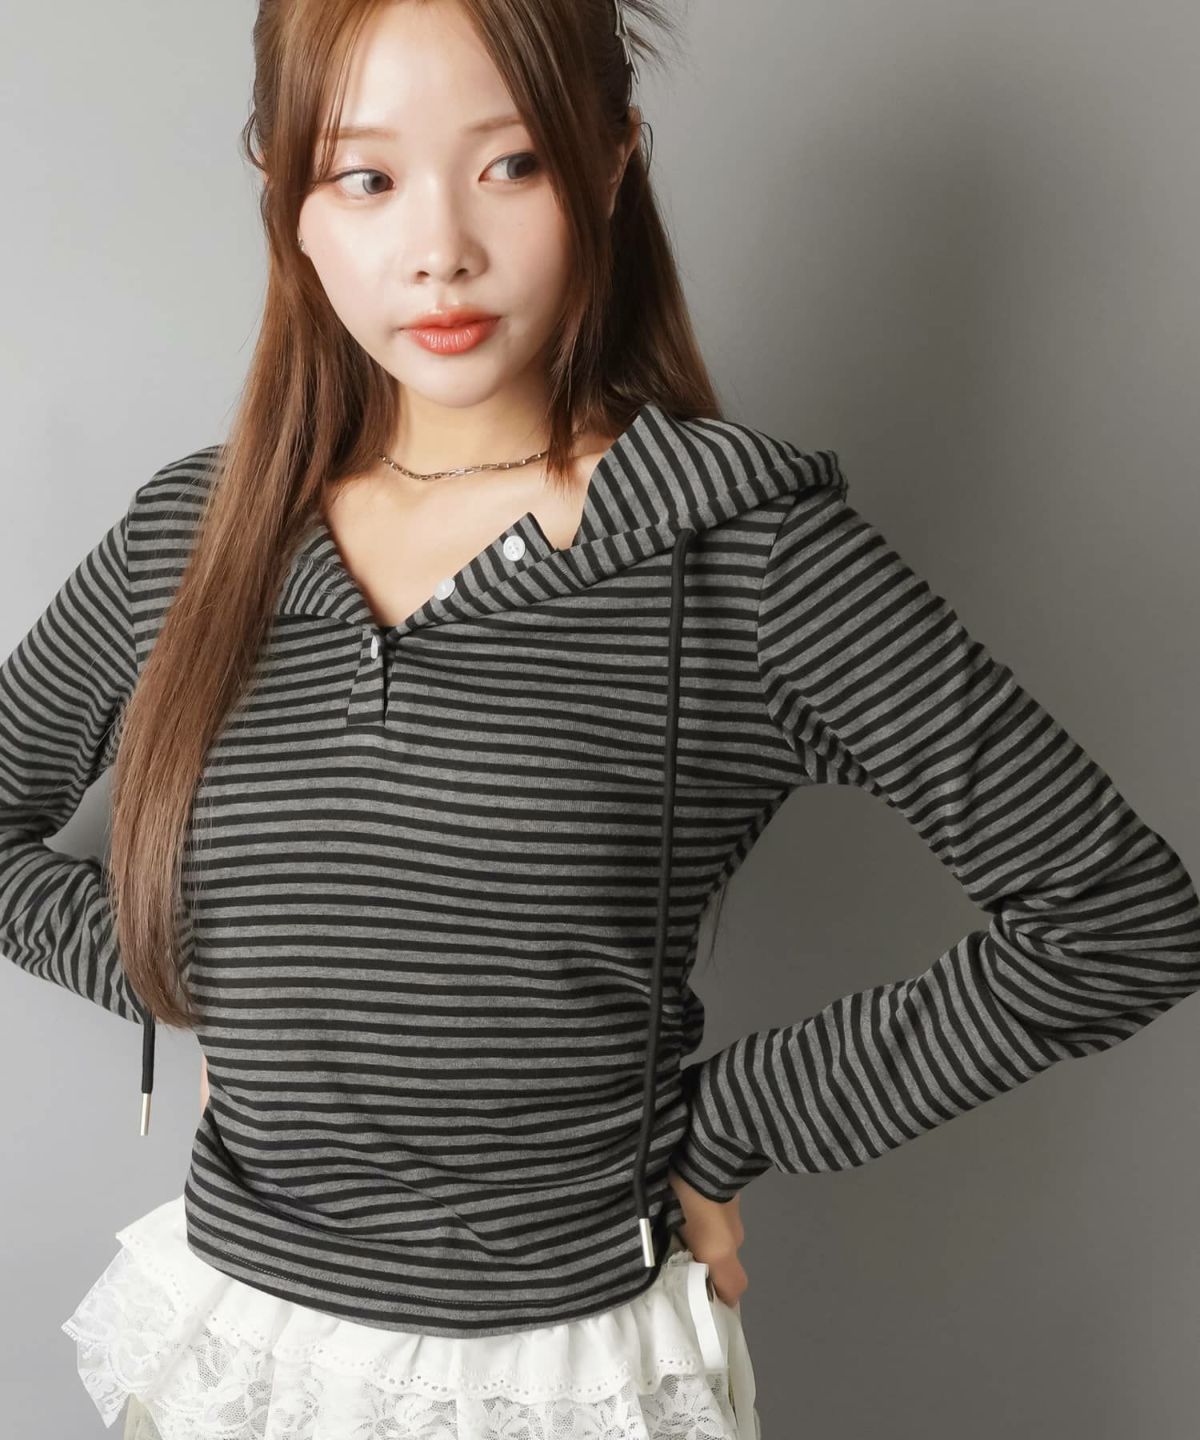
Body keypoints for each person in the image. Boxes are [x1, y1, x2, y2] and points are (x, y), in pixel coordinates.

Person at [3, 1, 1198, 1437]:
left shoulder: (746, 555)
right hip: (236, 1353)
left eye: (510, 164)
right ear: (285, 192)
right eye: (365, 176)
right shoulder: (199, 538)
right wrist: (210, 985)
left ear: (613, 159)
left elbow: (1114, 921)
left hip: (562, 1375)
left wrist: (733, 1123)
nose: (439, 249)